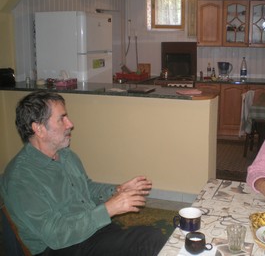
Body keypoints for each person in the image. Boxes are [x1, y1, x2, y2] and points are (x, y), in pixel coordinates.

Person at [0, 91, 167, 256]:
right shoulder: (20, 178)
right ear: (39, 129)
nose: (70, 124)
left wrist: (117, 190)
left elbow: (86, 188)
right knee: (148, 241)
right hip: (59, 248)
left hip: (89, 231)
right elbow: (55, 235)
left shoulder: (65, 155)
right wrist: (108, 209)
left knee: (147, 238)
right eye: (62, 119)